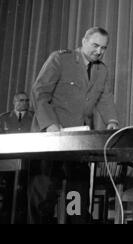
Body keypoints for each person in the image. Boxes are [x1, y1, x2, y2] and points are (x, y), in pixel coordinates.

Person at [28, 26, 119, 224]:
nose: (99, 51)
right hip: (49, 140)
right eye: (95, 45)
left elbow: (105, 97)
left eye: (104, 48)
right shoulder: (61, 59)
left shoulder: (101, 70)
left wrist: (112, 120)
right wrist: (50, 125)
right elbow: (39, 92)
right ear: (83, 41)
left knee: (76, 198)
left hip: (78, 144)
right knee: (43, 198)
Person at [0, 92, 34, 223]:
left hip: (27, 161)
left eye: (26, 100)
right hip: (7, 163)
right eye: (20, 100)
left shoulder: (34, 118)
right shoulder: (3, 118)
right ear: (14, 102)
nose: (24, 103)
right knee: (9, 190)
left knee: (25, 191)